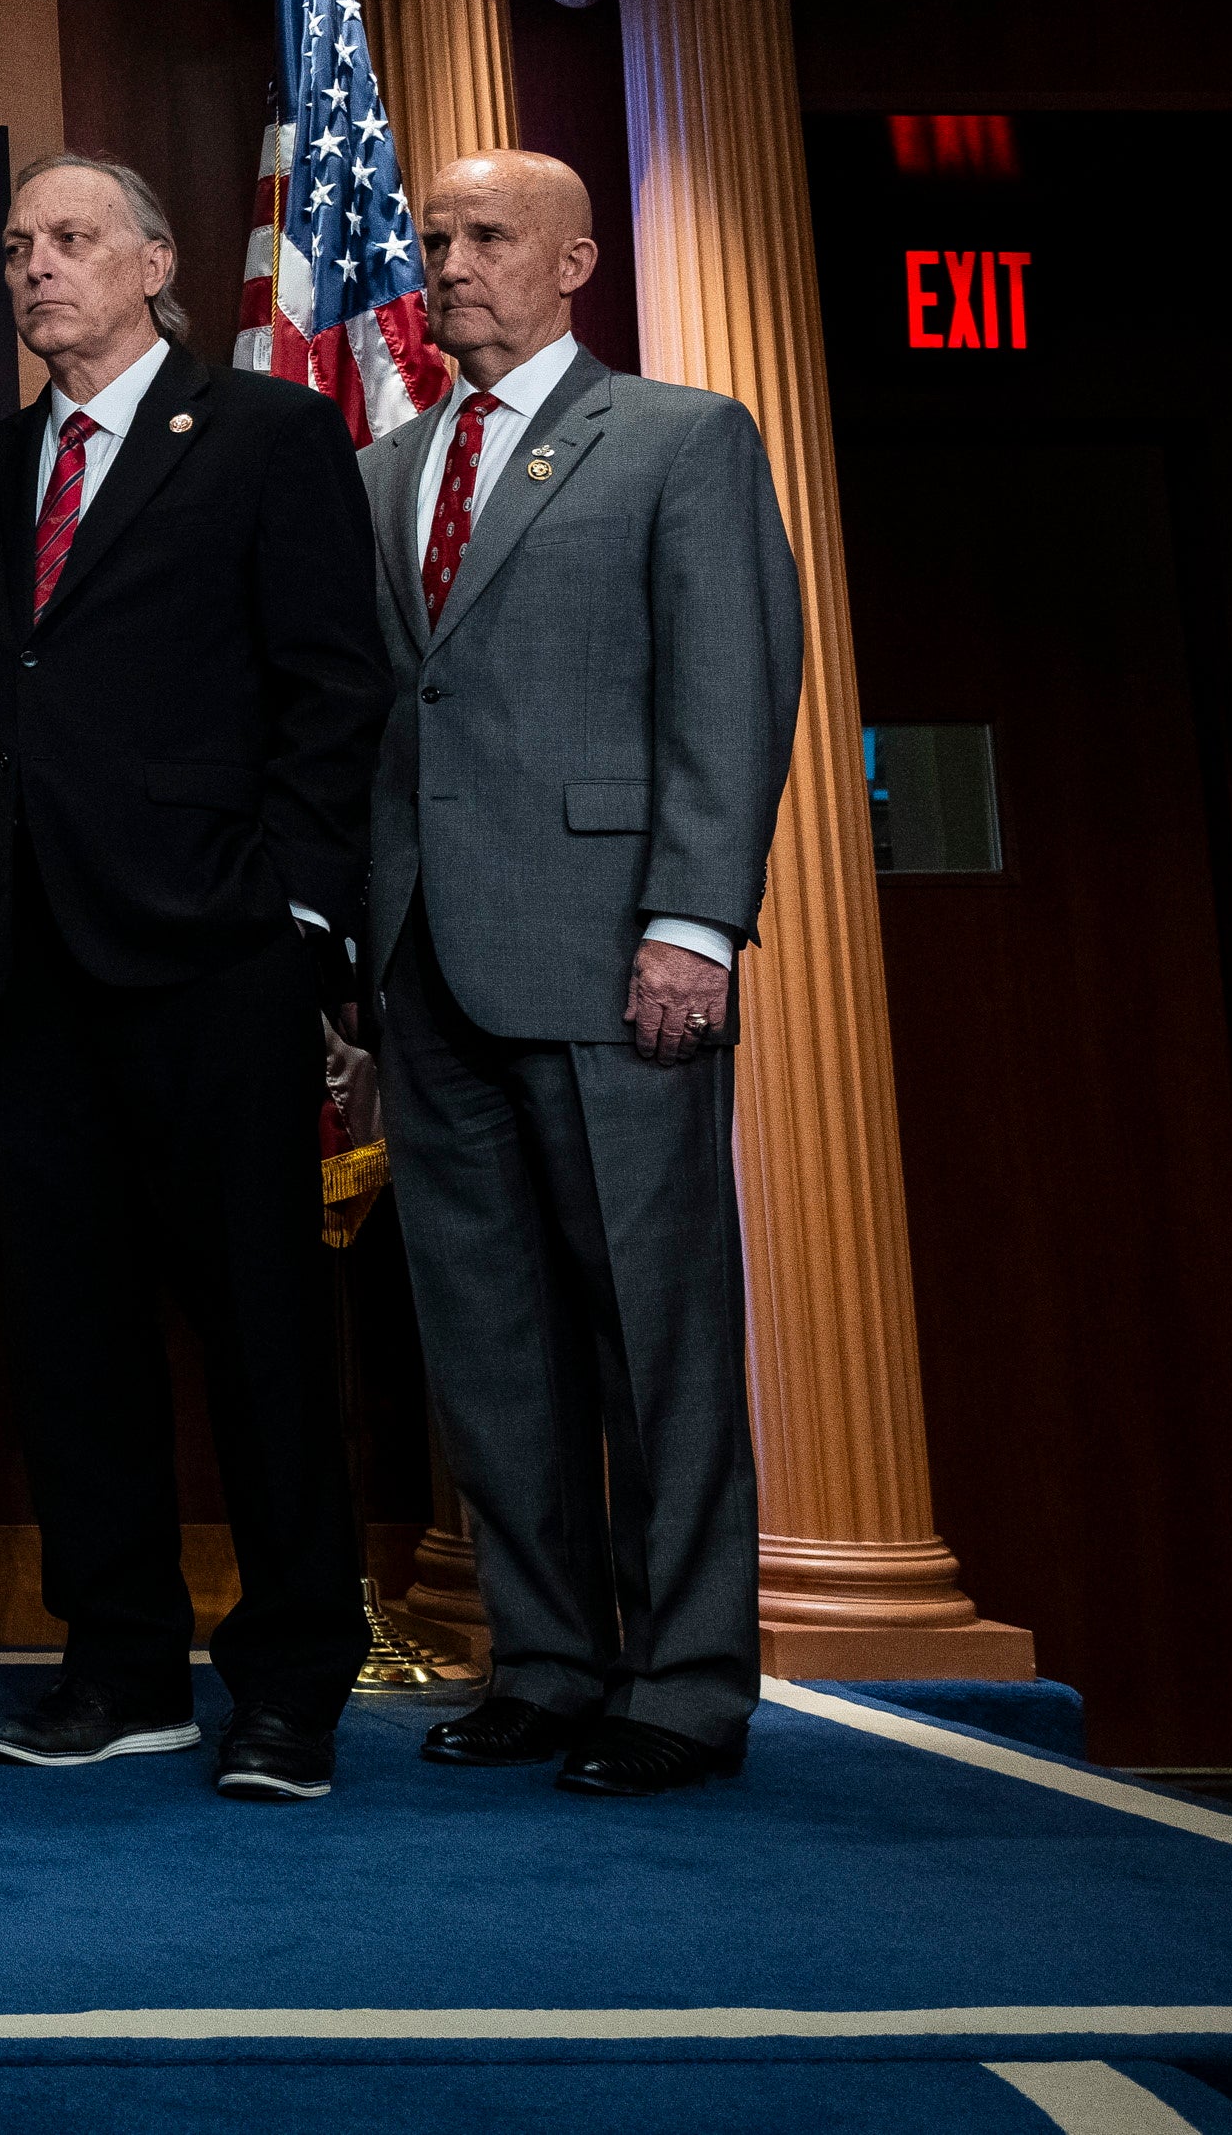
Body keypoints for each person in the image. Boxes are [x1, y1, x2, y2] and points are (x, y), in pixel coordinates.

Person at [0, 153, 387, 1804]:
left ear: (158, 260)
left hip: (217, 965)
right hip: (31, 978)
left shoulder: (266, 437)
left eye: (73, 239)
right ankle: (120, 1664)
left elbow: (333, 692)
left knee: (259, 1340)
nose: (39, 267)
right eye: (20, 243)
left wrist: (304, 922)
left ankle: (293, 1681)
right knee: (74, 1341)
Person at [367, 150, 802, 1799]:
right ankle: (546, 1661)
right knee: (488, 1338)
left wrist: (695, 920)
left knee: (656, 1331)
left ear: (576, 261)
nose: (453, 260)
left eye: (487, 236)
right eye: (435, 237)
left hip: (621, 955)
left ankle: (687, 1681)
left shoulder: (682, 437)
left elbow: (730, 682)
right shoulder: (389, 464)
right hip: (430, 962)